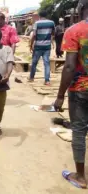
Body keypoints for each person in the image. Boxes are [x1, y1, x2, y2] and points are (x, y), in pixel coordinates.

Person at [54, 0, 88, 189]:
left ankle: (80, 176)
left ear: (81, 9)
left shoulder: (75, 31)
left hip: (81, 89)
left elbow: (69, 66)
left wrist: (60, 95)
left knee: (79, 131)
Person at [29, 10, 55, 86]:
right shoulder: (51, 23)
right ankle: (47, 81)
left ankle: (31, 78)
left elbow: (34, 35)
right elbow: (53, 33)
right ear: (46, 15)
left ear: (39, 16)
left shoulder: (37, 23)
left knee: (34, 62)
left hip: (38, 46)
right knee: (46, 63)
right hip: (47, 46)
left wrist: (31, 45)